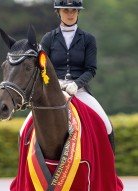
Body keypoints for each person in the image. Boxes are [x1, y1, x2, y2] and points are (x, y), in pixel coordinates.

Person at [40, 0, 115, 153]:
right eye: (66, 10)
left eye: (74, 10)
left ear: (78, 12)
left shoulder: (88, 39)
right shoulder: (48, 38)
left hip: (79, 91)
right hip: (55, 90)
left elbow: (91, 69)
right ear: (58, 12)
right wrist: (56, 83)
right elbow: (42, 67)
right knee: (24, 130)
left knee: (106, 125)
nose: (70, 14)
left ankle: (107, 166)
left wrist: (77, 84)